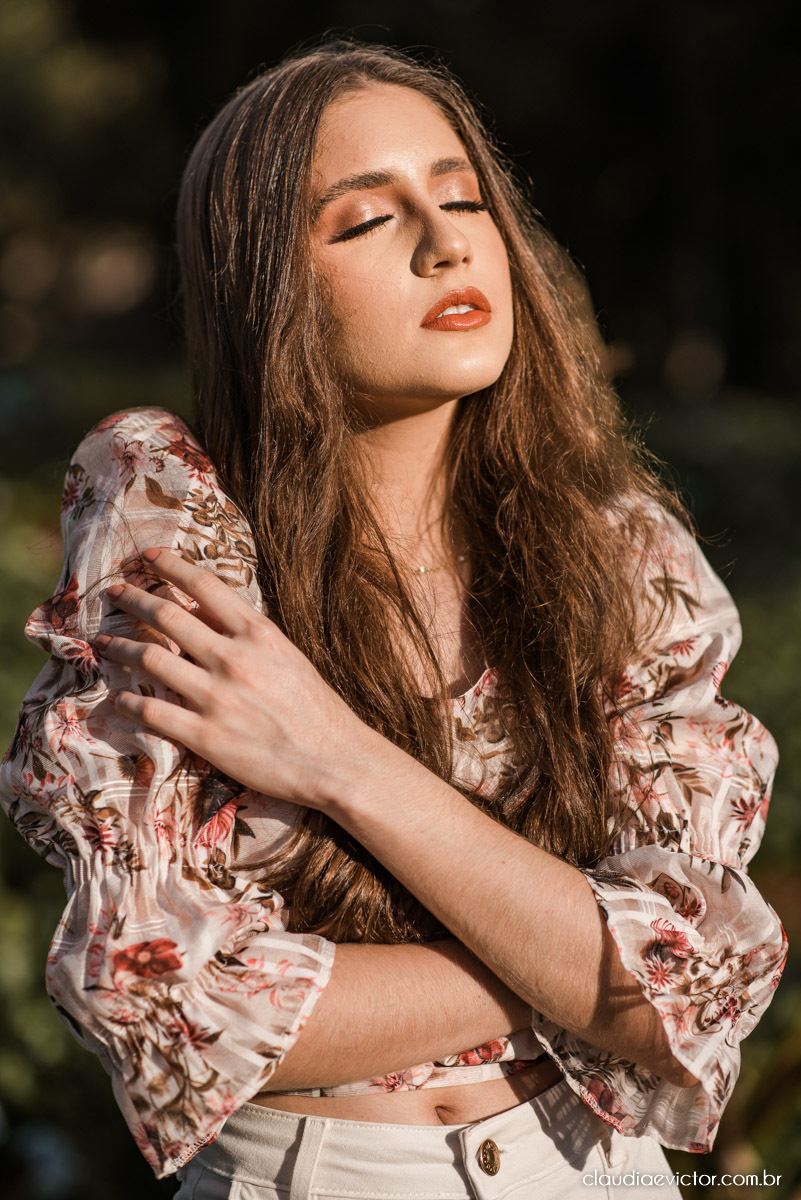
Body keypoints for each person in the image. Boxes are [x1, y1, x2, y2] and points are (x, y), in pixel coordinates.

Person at [0, 36, 787, 1200]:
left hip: (596, 1170)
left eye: (463, 195)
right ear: (266, 287)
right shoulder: (170, 510)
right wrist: (587, 958)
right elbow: (158, 994)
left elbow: (699, 976)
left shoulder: (619, 554)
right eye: (366, 220)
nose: (445, 239)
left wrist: (333, 756)